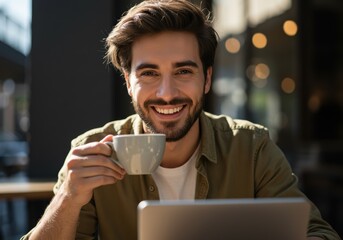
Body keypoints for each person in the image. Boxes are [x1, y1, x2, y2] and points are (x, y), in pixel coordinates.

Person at [22, 0, 340, 239]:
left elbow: (319, 233)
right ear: (128, 82)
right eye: (149, 74)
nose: (167, 93)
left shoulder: (251, 147)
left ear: (207, 79)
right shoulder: (90, 150)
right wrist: (67, 200)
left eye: (183, 71)